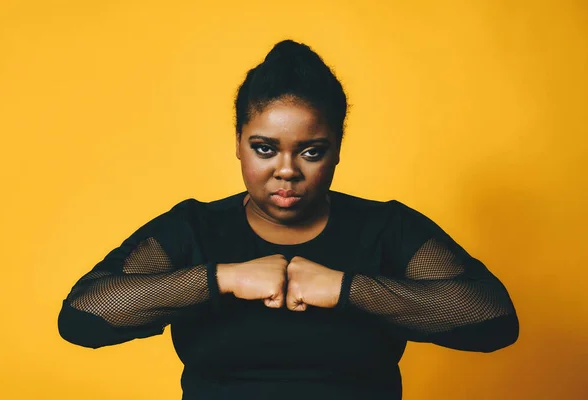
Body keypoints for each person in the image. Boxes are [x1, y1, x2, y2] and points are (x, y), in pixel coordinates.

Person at [58, 39, 519, 400]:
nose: (286, 170)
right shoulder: (195, 229)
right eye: (264, 148)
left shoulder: (386, 229)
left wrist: (345, 289)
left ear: (336, 150)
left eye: (311, 152)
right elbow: (83, 317)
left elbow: (492, 320)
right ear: (238, 143)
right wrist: (221, 279)